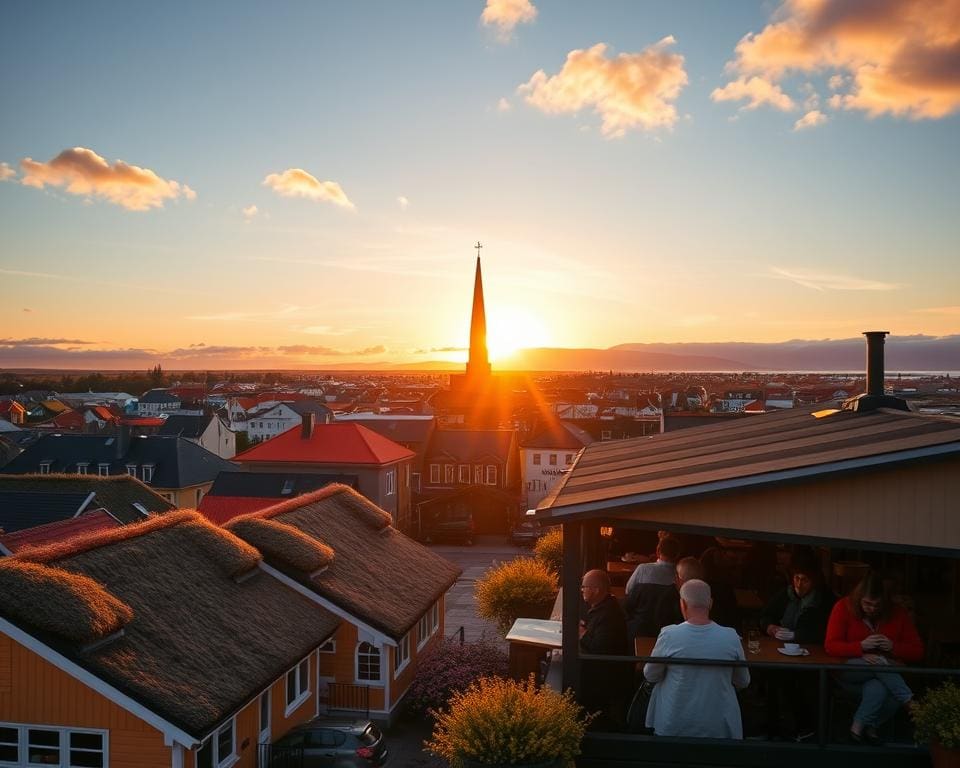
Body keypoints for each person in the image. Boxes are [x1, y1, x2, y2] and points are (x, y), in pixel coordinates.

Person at [825, 571, 924, 745]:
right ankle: (910, 703)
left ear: (884, 603)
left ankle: (858, 729)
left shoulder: (898, 613)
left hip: (884, 675)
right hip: (848, 671)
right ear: (859, 598)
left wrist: (893, 646)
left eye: (876, 605)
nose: (871, 609)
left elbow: (917, 651)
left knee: (880, 687)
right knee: (881, 665)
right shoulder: (843, 607)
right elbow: (830, 645)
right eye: (867, 604)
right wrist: (861, 647)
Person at [643, 579, 750, 738]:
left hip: (674, 722)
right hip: (718, 725)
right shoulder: (730, 636)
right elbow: (743, 681)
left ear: (683, 604)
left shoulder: (669, 634)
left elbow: (650, 675)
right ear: (710, 603)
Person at [759, 548, 836, 740]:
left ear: (815, 581)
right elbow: (765, 615)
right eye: (796, 579)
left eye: (804, 580)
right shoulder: (786, 594)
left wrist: (796, 635)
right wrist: (771, 628)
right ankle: (774, 726)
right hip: (780, 653)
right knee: (773, 677)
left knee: (803, 684)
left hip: (812, 658)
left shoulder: (825, 601)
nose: (799, 584)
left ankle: (805, 727)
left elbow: (824, 632)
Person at [579, 569, 632, 728]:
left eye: (584, 586)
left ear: (596, 590)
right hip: (604, 669)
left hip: (604, 676)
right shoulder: (604, 606)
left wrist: (582, 633)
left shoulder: (609, 614)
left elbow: (599, 648)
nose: (582, 590)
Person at [623, 535, 681, 638]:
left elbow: (628, 591)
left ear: (658, 551)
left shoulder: (643, 569)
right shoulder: (680, 576)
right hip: (668, 631)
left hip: (639, 629)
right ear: (677, 554)